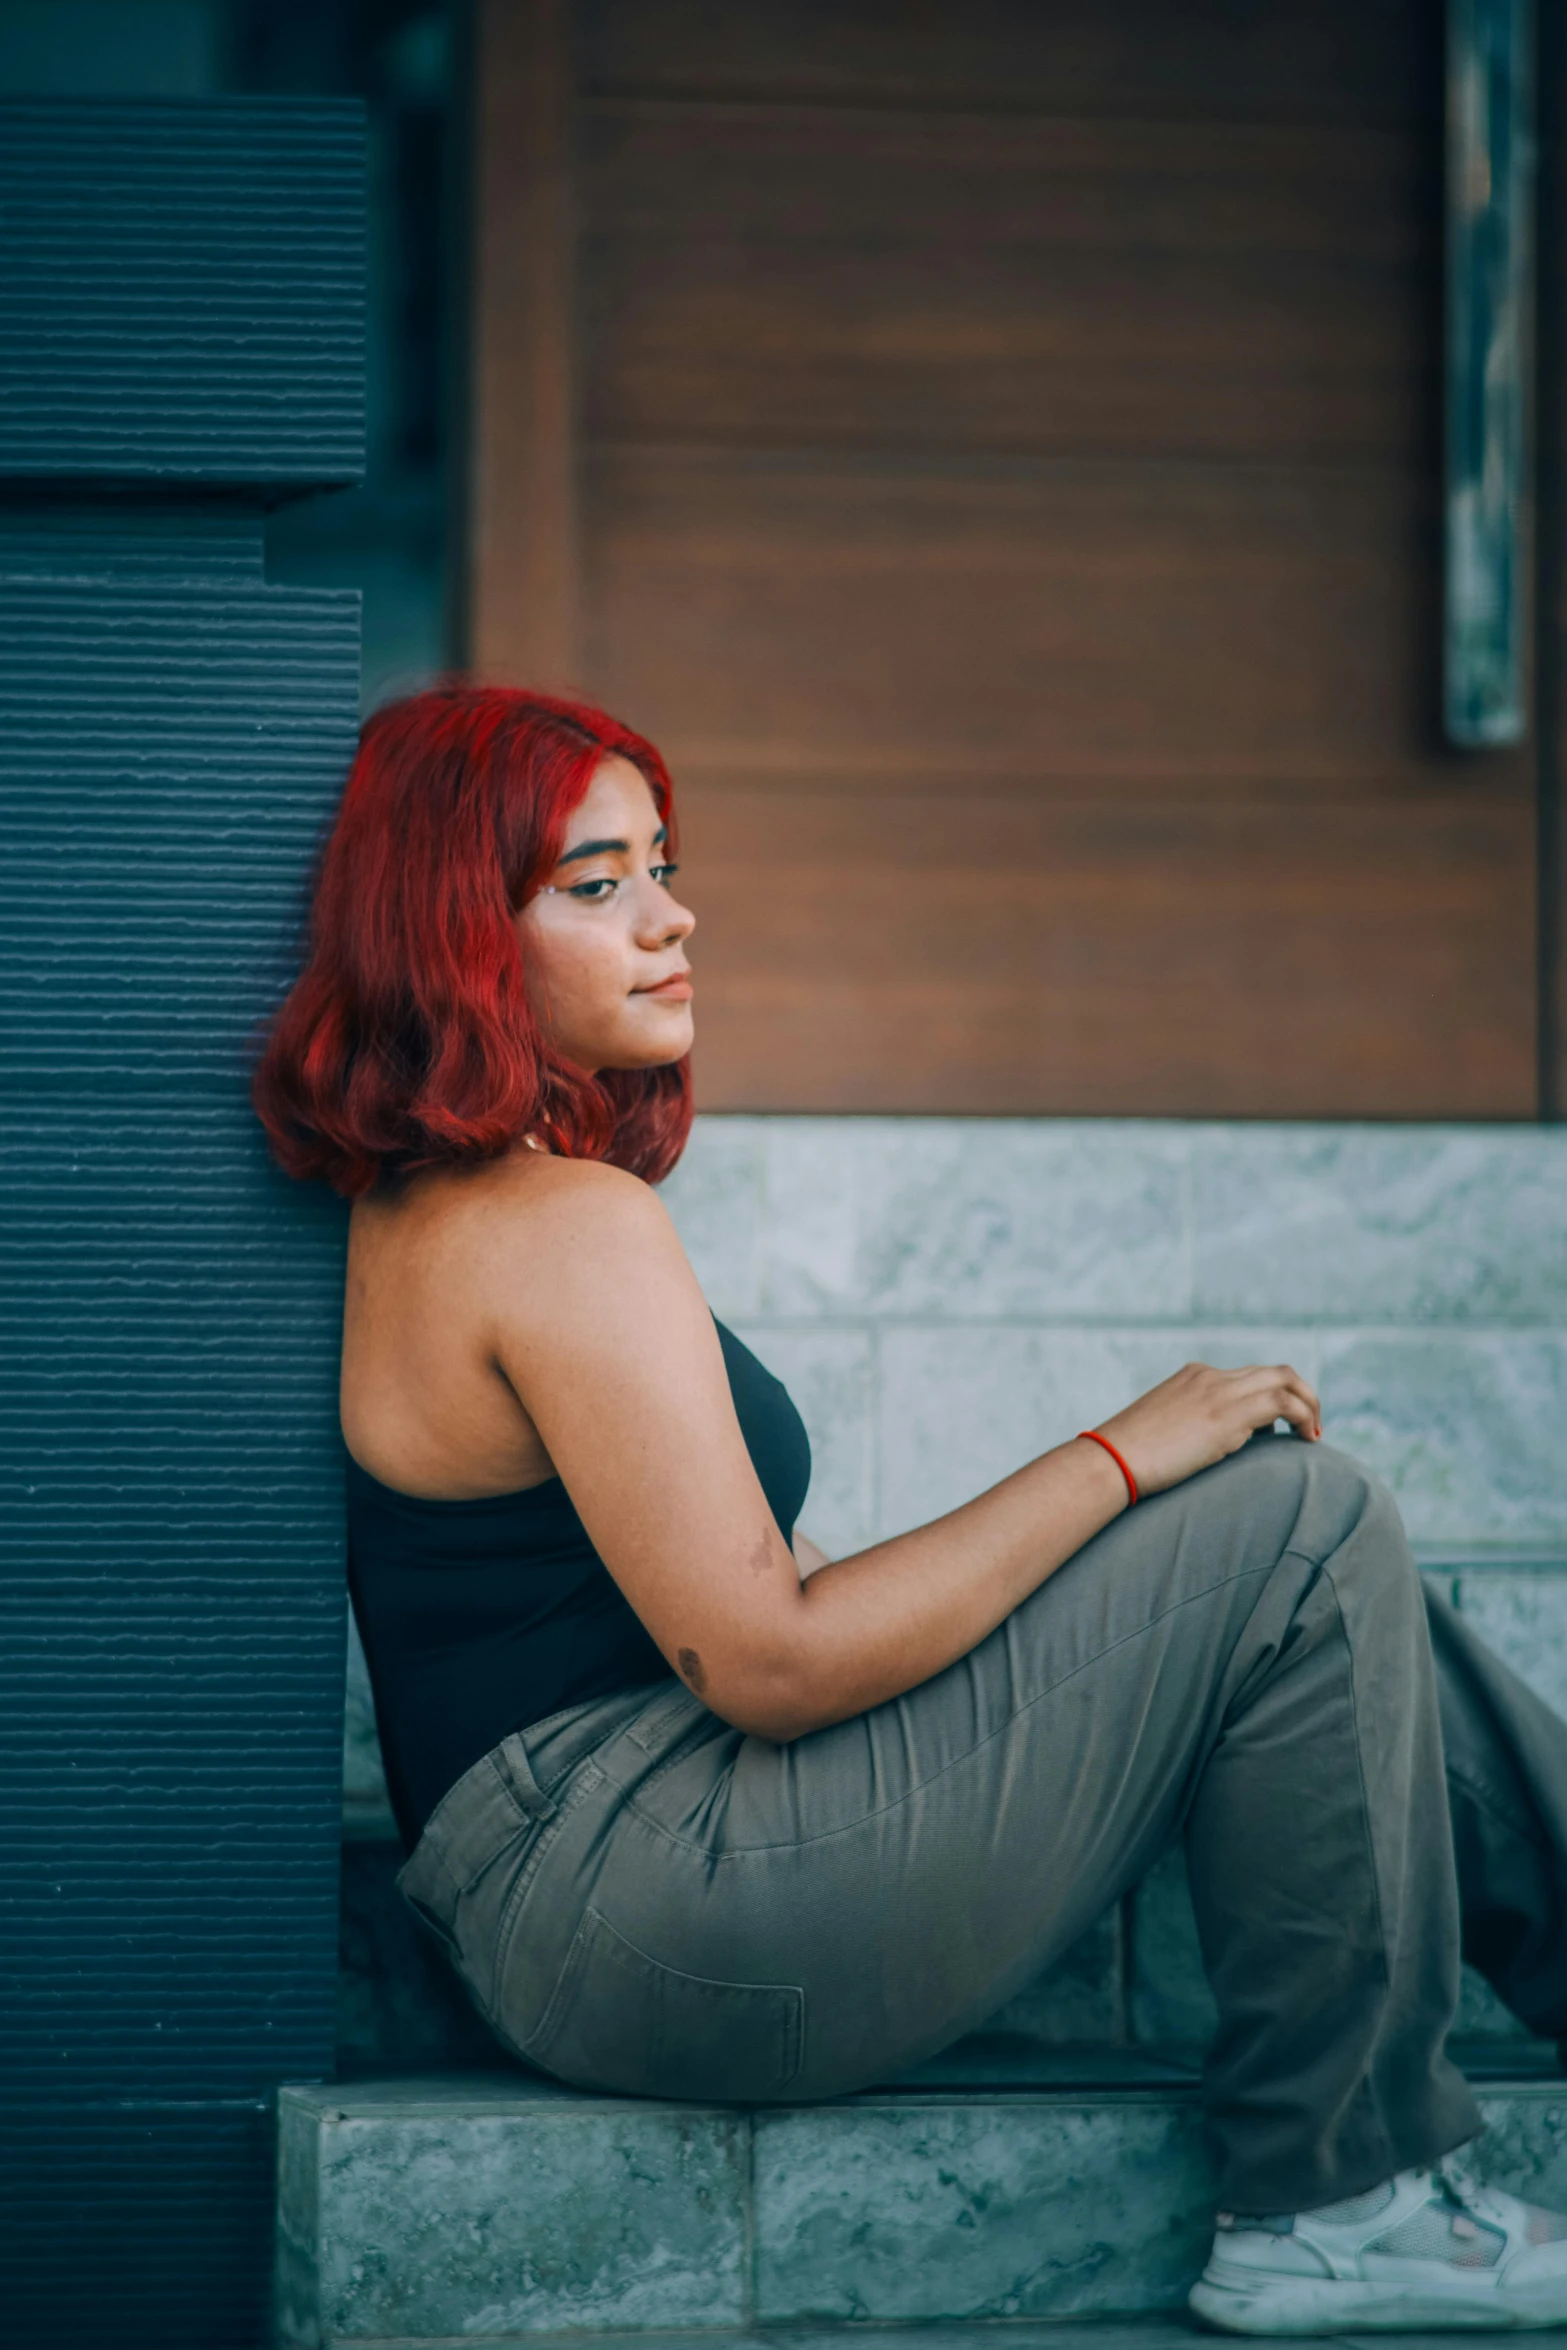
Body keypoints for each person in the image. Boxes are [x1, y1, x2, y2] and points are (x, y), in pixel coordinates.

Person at [256, 684, 1567, 2334]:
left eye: (660, 863)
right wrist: (1113, 1457)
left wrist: (1122, 1524)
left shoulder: (462, 1204)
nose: (670, 916)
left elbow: (773, 1609)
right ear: (455, 931)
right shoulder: (547, 1227)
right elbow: (773, 1661)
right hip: (647, 1897)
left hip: (611, 1876)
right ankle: (1336, 2197)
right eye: (595, 885)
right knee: (1294, 1521)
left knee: (1319, 1578)